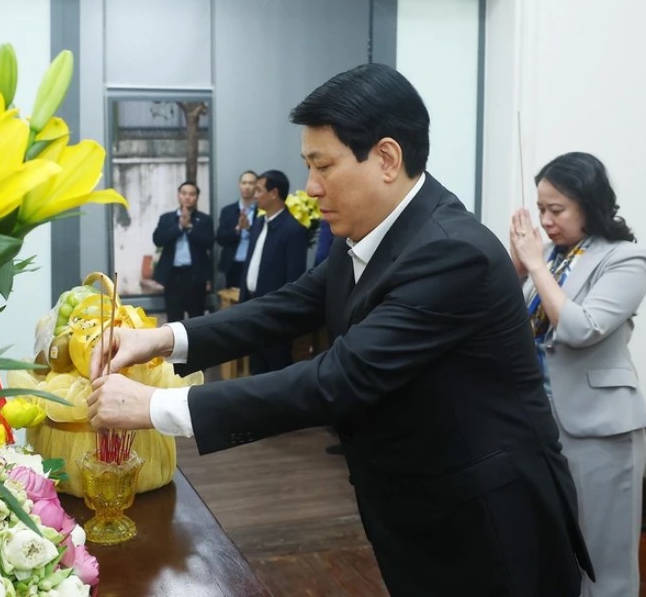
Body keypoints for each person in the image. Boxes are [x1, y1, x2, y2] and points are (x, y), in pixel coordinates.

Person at [88, 63, 593, 596]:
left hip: (489, 522)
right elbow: (282, 307)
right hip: (418, 508)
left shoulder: (451, 251)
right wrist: (161, 339)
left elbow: (338, 378)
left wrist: (153, 408)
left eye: (322, 165)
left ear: (386, 159)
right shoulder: (377, 235)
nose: (310, 186)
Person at [509, 152, 646, 597]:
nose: (546, 221)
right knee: (553, 547)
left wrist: (534, 265)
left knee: (606, 559)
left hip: (600, 428)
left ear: (589, 205)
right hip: (542, 424)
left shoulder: (627, 258)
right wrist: (516, 270)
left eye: (557, 209)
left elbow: (579, 328)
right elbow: (501, 324)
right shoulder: (549, 258)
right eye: (541, 209)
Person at [241, 169, 308, 373]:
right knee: (255, 369)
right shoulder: (259, 223)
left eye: (259, 190)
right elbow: (251, 263)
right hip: (252, 307)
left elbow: (294, 278)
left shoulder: (293, 230)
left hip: (274, 314)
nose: (255, 194)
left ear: (274, 193)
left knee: (275, 371)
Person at [152, 181, 215, 324]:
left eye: (192, 194)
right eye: (184, 193)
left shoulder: (204, 219)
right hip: (173, 276)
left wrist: (190, 228)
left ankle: (197, 346)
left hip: (196, 275)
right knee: (174, 318)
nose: (187, 197)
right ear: (178, 196)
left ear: (197, 197)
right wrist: (180, 227)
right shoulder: (167, 218)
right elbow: (158, 240)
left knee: (197, 318)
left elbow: (209, 242)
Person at [216, 170, 258, 289]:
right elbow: (220, 239)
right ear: (239, 185)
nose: (247, 187)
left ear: (257, 186)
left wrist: (249, 228)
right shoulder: (228, 211)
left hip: (255, 265)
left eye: (251, 183)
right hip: (233, 265)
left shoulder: (262, 211)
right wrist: (238, 228)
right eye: (244, 183)